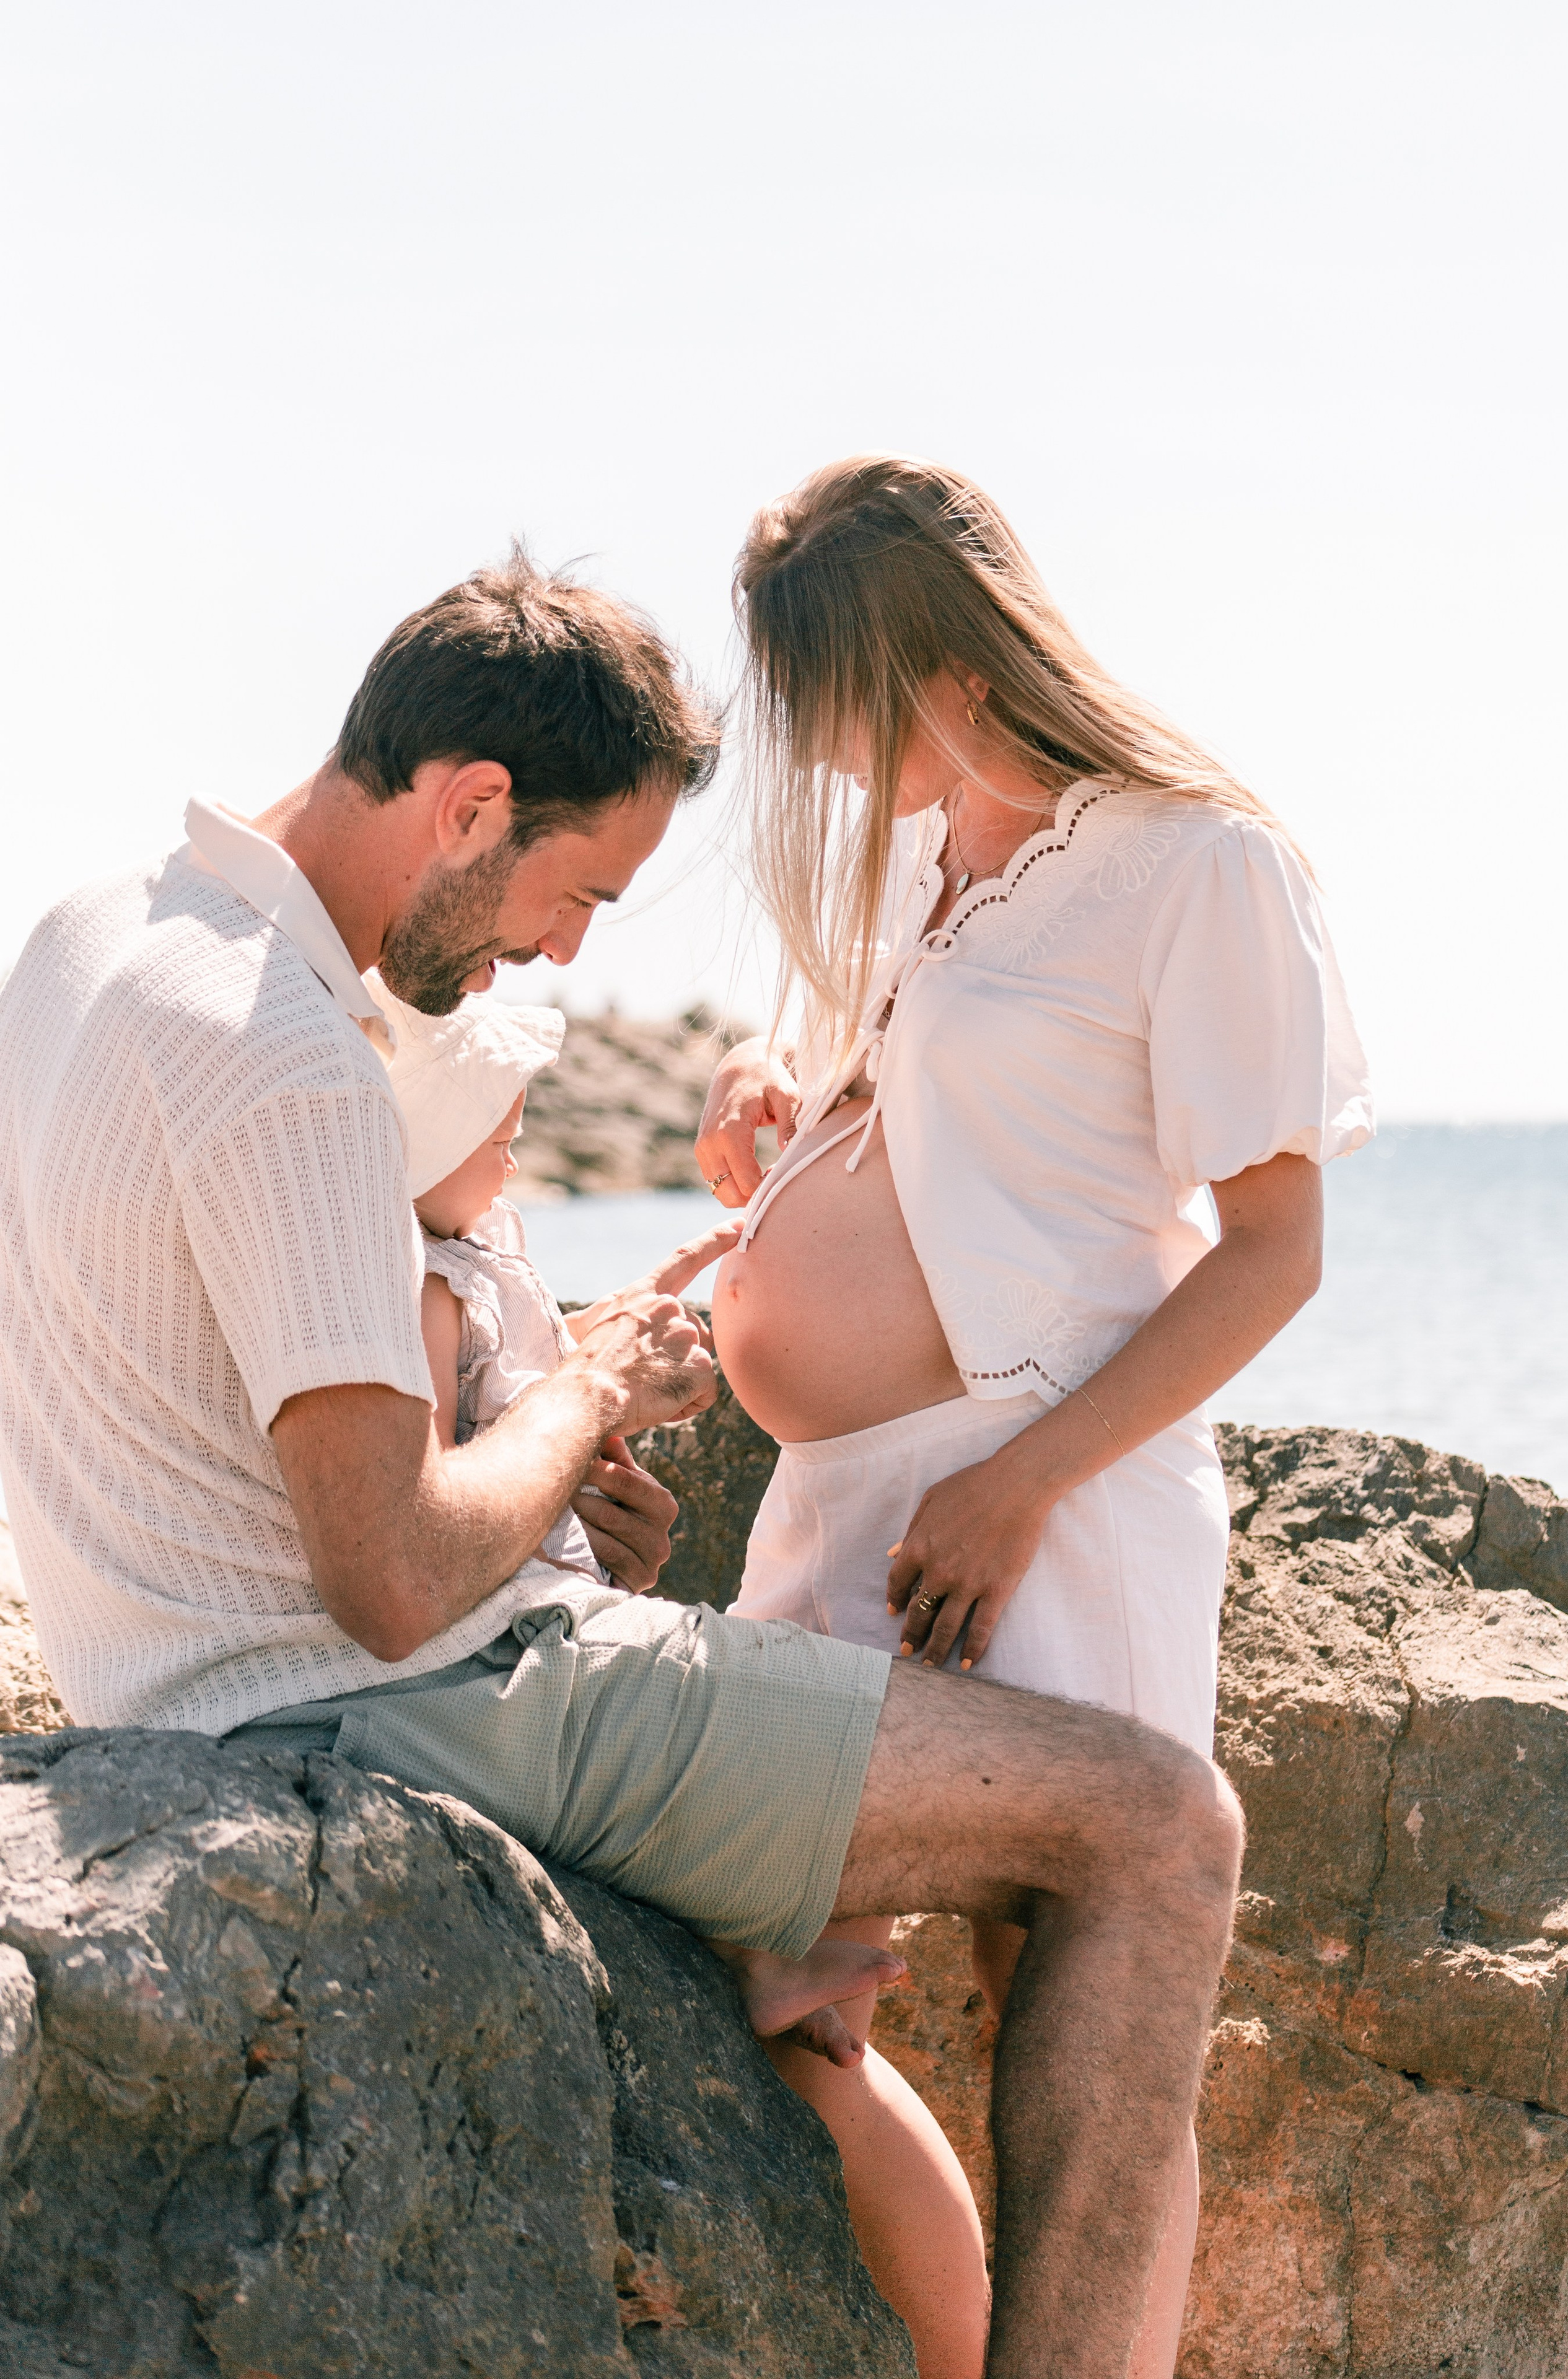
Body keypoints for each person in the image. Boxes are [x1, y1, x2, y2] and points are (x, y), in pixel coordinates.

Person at [0, 545, 1243, 2379]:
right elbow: (400, 1574)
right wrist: (581, 1394)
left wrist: (532, 1430)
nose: (566, 951)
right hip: (406, 1697)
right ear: (472, 804)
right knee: (1159, 1828)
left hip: (159, 1679)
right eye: (577, 890)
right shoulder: (287, 1058)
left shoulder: (90, 932)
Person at [696, 453, 1373, 2379]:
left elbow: (1272, 1252)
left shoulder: (1196, 863)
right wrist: (785, 1098)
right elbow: (952, 1123)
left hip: (1052, 1501)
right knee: (783, 1972)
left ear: (921, 659)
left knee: (1086, 1994)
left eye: (821, 698)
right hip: (838, 1501)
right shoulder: (935, 863)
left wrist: (1016, 1485)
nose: (815, 756)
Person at [378, 975, 908, 2050]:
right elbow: (442, 1472)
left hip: (552, 1596)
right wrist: (592, 1396)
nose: (515, 1159)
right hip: (509, 1630)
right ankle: (756, 1951)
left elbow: (511, 1382)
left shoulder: (479, 1252)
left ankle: (757, 1949)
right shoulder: (426, 1286)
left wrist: (594, 1340)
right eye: (499, 1137)